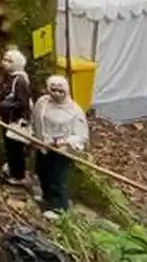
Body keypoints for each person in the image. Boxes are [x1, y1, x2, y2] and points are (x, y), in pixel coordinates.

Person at [32, 75, 87, 220]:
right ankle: (47, 199)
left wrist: (64, 141)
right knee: (42, 173)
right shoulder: (42, 103)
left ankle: (59, 208)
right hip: (43, 146)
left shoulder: (74, 111)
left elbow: (82, 135)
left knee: (57, 178)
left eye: (60, 91)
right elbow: (36, 119)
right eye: (53, 90)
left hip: (61, 151)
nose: (56, 93)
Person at [0, 47, 32, 186]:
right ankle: (11, 168)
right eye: (4, 59)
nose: (5, 63)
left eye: (9, 61)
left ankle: (19, 175)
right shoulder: (7, 77)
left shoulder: (20, 81)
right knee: (9, 146)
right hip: (6, 118)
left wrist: (4, 105)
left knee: (16, 147)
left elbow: (22, 103)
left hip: (16, 120)